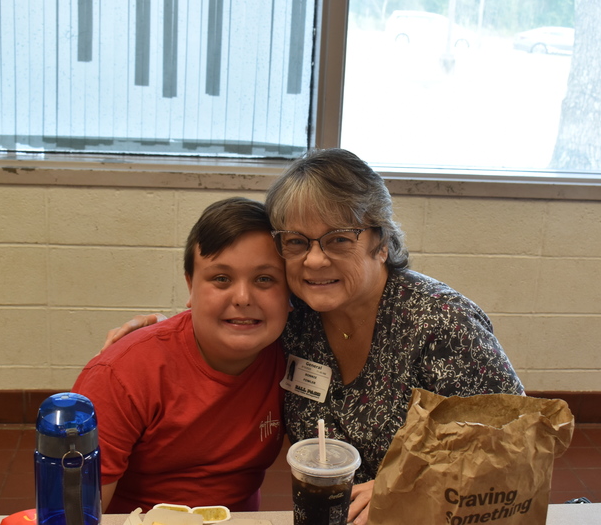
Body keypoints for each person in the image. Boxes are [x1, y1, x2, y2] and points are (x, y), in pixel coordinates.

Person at [103, 148, 524, 524]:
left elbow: (518, 442)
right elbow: (237, 306)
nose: (315, 260)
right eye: (298, 242)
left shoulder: (441, 324)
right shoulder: (299, 315)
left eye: (339, 238)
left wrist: (409, 486)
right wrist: (162, 333)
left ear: (380, 241)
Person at [74, 197, 291, 514]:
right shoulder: (121, 375)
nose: (243, 298)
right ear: (190, 286)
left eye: (265, 279)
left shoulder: (295, 352)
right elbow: (77, 513)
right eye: (221, 278)